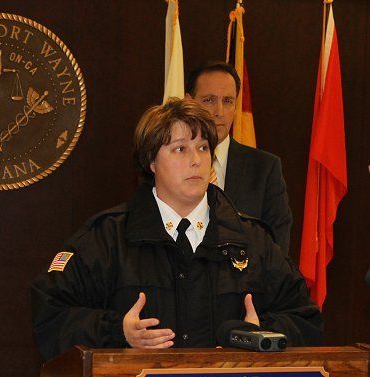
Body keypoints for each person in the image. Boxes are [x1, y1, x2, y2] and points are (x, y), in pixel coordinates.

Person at [31, 98, 321, 361]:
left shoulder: (252, 240)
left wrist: (259, 335)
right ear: (151, 161)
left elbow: (306, 319)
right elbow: (51, 314)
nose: (196, 160)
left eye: (203, 148)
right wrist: (118, 331)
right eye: (180, 149)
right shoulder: (108, 237)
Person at [185, 61, 292, 254]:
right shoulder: (168, 163)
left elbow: (276, 249)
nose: (219, 112)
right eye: (209, 100)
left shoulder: (265, 169)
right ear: (189, 103)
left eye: (227, 101)